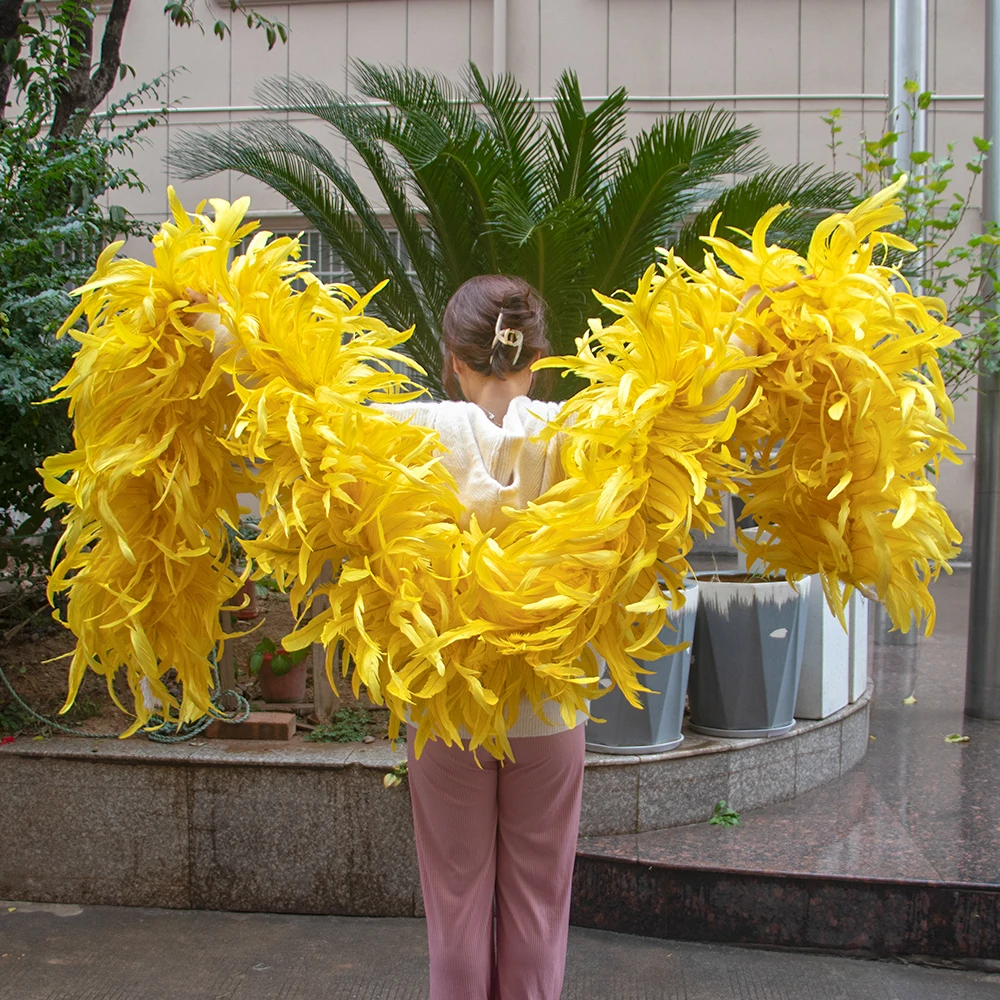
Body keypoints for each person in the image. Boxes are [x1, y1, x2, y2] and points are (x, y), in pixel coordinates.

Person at [383, 274, 586, 1000]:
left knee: (456, 915)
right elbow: (690, 407)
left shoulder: (409, 431)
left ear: (453, 359)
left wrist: (215, 325)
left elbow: (301, 416)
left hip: (447, 712)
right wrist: (751, 327)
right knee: (537, 914)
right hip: (549, 707)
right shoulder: (579, 432)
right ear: (537, 358)